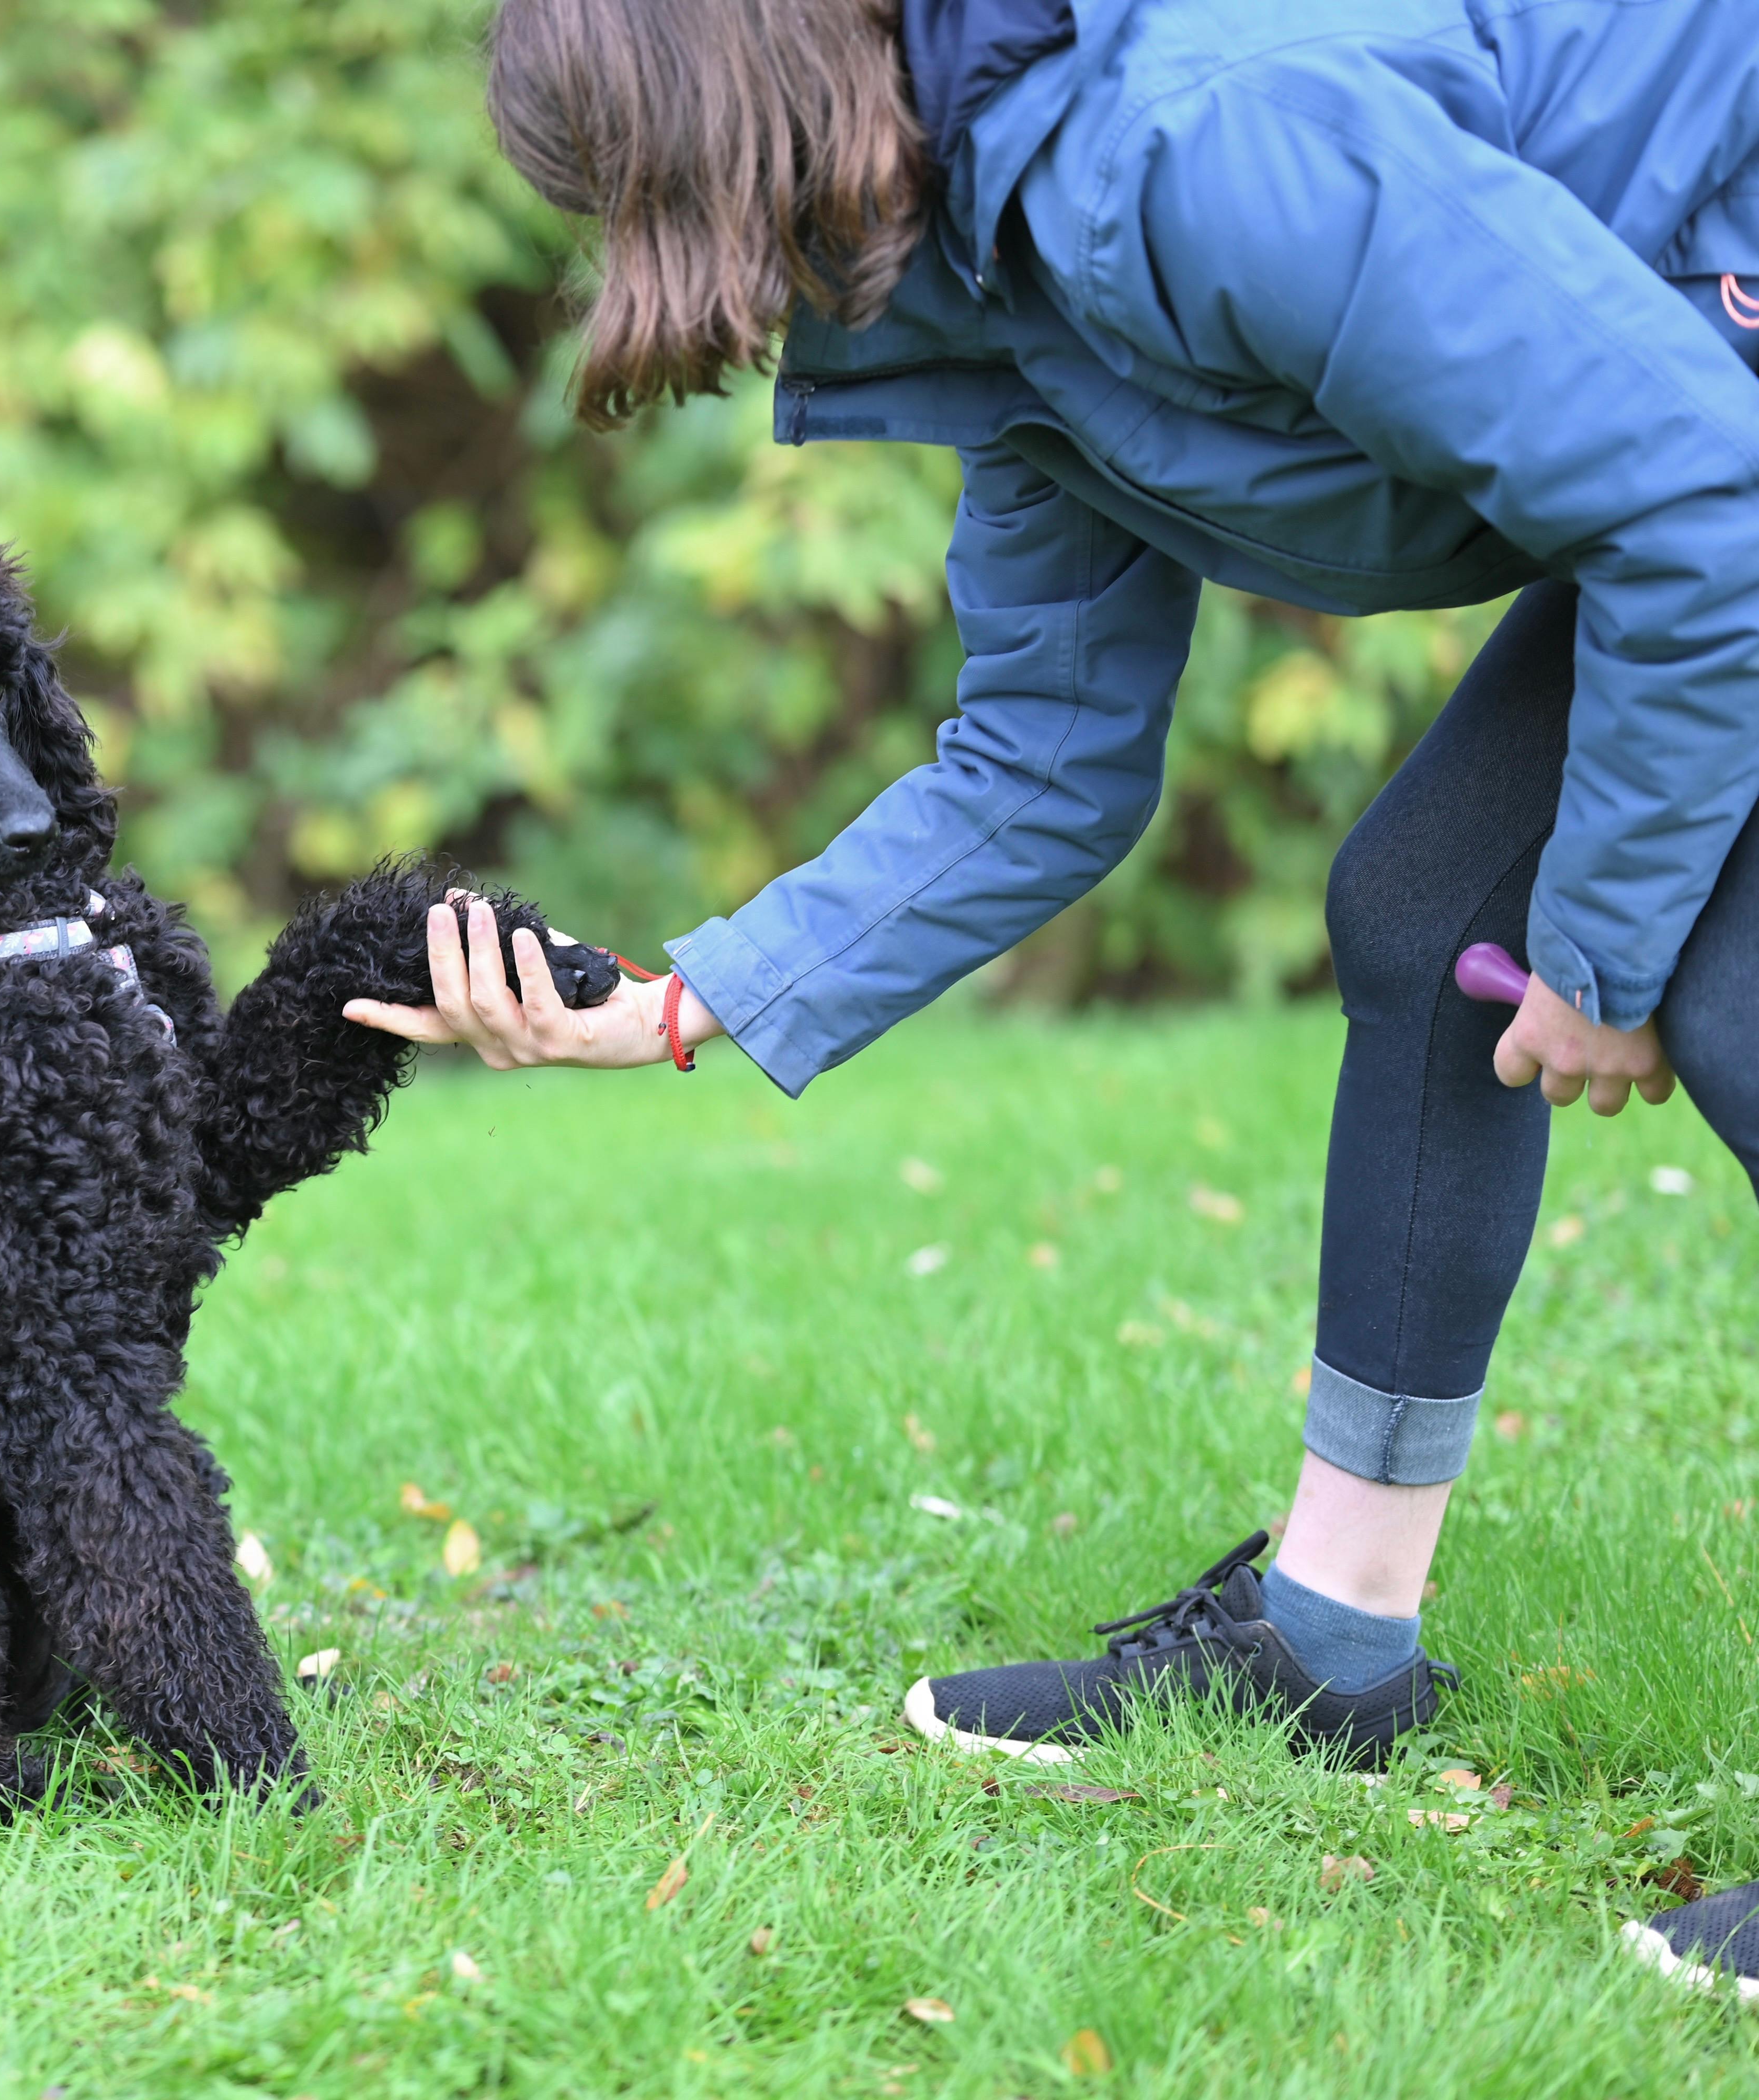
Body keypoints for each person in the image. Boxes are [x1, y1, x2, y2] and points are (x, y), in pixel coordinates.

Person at [349, 0, 1759, 1996]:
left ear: (702, 147)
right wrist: (672, 1009)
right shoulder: (992, 274)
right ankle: (1335, 1647)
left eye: (609, 205)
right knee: (1431, 917)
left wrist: (1612, 963)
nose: (618, 264)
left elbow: (1708, 509)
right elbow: (1041, 759)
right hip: (1711, 433)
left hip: (1731, 406)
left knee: (1732, 1003)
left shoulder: (1196, 149)